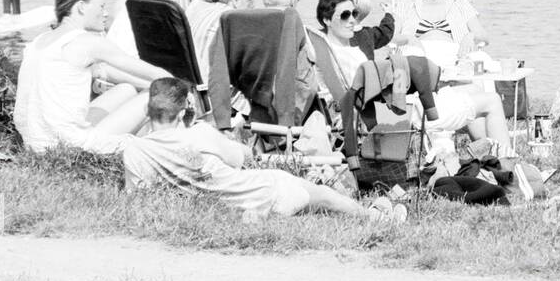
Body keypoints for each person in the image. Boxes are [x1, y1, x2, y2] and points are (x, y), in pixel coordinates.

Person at [121, 78, 404, 221]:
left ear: (150, 109)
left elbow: (139, 194)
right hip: (262, 192)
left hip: (224, 206)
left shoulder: (133, 150)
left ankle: (371, 213)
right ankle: (373, 217)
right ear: (187, 108)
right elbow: (241, 157)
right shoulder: (198, 134)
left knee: (318, 205)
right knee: (326, 197)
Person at [324, 0, 512, 156]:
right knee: (492, 100)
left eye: (352, 15)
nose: (350, 21)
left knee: (473, 91)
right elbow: (386, 36)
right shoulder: (359, 48)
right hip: (406, 112)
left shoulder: (330, 49)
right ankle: (508, 164)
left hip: (386, 107)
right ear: (327, 20)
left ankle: (486, 152)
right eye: (344, 15)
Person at [13, 0, 170, 153]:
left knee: (126, 89)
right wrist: (177, 87)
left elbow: (104, 72)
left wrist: (148, 84)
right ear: (81, 7)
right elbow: (154, 72)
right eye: (101, 6)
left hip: (35, 142)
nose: (106, 13)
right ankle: (168, 142)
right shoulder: (87, 41)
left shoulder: (40, 40)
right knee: (155, 95)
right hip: (70, 146)